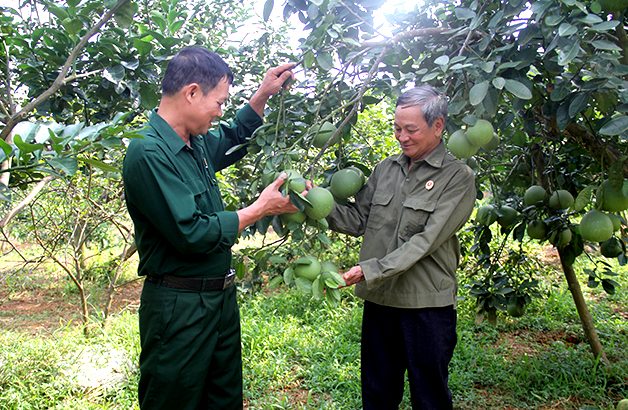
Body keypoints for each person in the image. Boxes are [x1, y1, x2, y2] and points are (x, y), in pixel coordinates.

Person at [122, 46, 298, 410]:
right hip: (179, 307)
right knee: (175, 400)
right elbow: (191, 233)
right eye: (218, 102)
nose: (220, 112)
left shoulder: (194, 142)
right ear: (191, 93)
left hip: (218, 300)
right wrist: (258, 209)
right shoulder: (149, 152)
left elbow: (235, 137)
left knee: (223, 400)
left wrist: (263, 94)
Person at [324, 85, 476, 409]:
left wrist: (369, 270)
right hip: (381, 302)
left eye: (411, 129)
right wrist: (311, 205)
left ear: (438, 126)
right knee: (378, 393)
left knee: (429, 397)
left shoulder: (458, 178)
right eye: (397, 128)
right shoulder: (385, 169)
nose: (401, 137)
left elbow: (425, 241)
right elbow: (357, 220)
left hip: (427, 308)